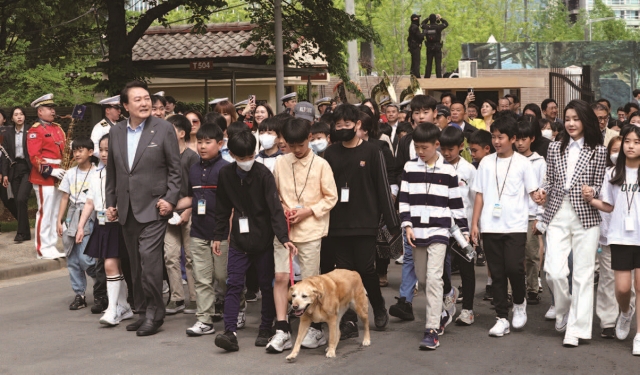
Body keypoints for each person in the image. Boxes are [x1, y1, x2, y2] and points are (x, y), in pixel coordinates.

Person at [105, 81, 182, 337]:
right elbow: (113, 173)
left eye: (147, 98)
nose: (145, 103)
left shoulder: (163, 129)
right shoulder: (115, 132)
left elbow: (175, 169)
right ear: (125, 106)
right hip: (126, 208)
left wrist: (170, 199)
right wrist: (111, 203)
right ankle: (141, 311)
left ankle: (154, 314)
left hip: (154, 207)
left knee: (150, 262)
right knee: (135, 265)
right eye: (137, 99)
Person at [212, 130, 297, 352]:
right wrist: (218, 235)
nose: (247, 162)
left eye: (250, 157)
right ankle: (229, 331)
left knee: (266, 285)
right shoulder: (225, 175)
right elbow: (221, 208)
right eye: (241, 159)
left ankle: (265, 328)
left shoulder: (263, 175)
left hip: (263, 239)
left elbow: (275, 210)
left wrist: (283, 238)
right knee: (234, 283)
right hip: (239, 241)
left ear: (255, 153)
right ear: (231, 155)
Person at [324, 104, 400, 337]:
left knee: (367, 270)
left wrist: (391, 221)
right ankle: (348, 319)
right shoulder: (329, 154)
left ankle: (377, 305)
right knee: (344, 272)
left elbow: (382, 188)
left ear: (358, 125)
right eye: (339, 125)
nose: (343, 128)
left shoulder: (372, 151)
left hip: (365, 220)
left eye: (348, 124)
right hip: (338, 223)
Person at [537, 99, 607, 347]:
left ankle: (575, 330)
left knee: (583, 275)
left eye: (576, 119)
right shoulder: (555, 148)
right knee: (554, 271)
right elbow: (550, 180)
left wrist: (593, 191)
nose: (571, 123)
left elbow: (600, 183)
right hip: (557, 213)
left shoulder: (598, 151)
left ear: (585, 121)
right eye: (567, 119)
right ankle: (563, 308)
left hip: (586, 216)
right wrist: (542, 192)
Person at [267, 117, 338, 353]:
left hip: (310, 229)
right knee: (280, 277)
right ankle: (282, 328)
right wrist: (283, 209)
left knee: (309, 281)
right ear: (284, 142)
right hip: (284, 229)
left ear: (309, 138)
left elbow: (331, 197)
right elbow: (274, 195)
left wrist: (307, 211)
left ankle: (315, 328)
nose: (297, 150)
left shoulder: (321, 165)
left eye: (301, 145)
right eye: (292, 145)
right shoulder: (280, 163)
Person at [399, 122, 468, 349]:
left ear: (436, 145)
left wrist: (464, 232)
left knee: (434, 278)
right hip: (416, 231)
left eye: (424, 147)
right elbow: (404, 199)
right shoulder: (410, 168)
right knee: (423, 278)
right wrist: (407, 225)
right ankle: (447, 298)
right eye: (417, 147)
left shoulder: (449, 170)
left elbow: (456, 204)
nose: (420, 151)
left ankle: (431, 329)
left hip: (440, 229)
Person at [470, 115, 540, 337]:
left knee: (514, 268)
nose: (497, 141)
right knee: (497, 273)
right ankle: (501, 317)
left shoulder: (523, 163)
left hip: (515, 225)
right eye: (494, 137)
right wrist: (475, 223)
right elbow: (479, 194)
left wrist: (540, 203)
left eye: (501, 137)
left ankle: (519, 302)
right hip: (490, 226)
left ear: (512, 138)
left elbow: (532, 193)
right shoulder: (486, 162)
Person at [583, 124, 640, 355]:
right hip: (620, 237)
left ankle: (639, 335)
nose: (631, 146)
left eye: (637, 142)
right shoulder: (613, 173)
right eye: (628, 141)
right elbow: (609, 206)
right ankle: (625, 312)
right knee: (623, 288)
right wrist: (590, 199)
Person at [172, 123, 230, 336]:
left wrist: (227, 233)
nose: (202, 146)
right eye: (200, 142)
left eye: (208, 142)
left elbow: (232, 204)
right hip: (198, 231)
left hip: (221, 233)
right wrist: (170, 205)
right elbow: (190, 197)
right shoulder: (194, 168)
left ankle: (238, 306)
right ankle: (204, 319)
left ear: (220, 144)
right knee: (201, 278)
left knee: (223, 277)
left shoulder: (225, 169)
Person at [76, 133, 134, 326]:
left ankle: (113, 309)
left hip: (119, 224)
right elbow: (90, 202)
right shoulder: (95, 174)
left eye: (108, 150)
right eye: (101, 150)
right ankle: (122, 306)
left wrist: (118, 210)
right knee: (111, 266)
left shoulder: (125, 173)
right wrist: (81, 226)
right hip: (102, 224)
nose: (103, 154)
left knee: (112, 266)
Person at [389, 95, 437, 322]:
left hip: (438, 211)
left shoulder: (442, 138)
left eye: (425, 112)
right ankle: (405, 300)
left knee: (439, 261)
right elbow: (397, 170)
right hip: (413, 208)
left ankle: (443, 299)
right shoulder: (405, 140)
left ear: (435, 114)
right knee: (409, 254)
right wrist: (398, 198)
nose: (420, 116)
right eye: (416, 112)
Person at [439, 126, 477, 326]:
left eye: (450, 149)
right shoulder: (437, 166)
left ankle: (468, 309)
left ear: (460, 147)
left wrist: (473, 227)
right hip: (441, 226)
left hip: (464, 228)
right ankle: (447, 294)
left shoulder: (469, 170)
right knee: (439, 266)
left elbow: (474, 199)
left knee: (466, 268)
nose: (446, 153)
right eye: (443, 149)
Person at [163, 115, 199, 315]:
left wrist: (187, 211)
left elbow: (197, 190)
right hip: (168, 213)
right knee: (170, 255)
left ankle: (194, 297)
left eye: (170, 130)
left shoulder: (192, 157)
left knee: (191, 257)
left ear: (182, 133)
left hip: (189, 212)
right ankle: (176, 298)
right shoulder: (163, 157)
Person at [356, 109, 398, 286]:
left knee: (381, 237)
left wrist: (392, 194)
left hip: (379, 198)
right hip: (358, 199)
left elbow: (391, 174)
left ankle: (381, 271)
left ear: (364, 129)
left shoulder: (380, 147)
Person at [56, 137, 97, 310]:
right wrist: (59, 220)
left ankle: (103, 282)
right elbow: (65, 197)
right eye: (75, 150)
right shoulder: (70, 173)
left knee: (85, 258)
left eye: (81, 150)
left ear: (90, 152)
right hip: (72, 215)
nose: (77, 153)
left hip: (89, 214)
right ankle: (79, 294)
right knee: (72, 258)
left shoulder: (97, 172)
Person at [27, 94, 67, 259]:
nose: (53, 111)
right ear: (40, 111)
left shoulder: (57, 127)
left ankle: (51, 245)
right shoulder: (35, 130)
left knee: (55, 212)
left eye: (53, 108)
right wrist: (50, 170)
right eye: (49, 108)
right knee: (45, 212)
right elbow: (34, 156)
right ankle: (42, 248)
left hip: (59, 173)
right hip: (44, 176)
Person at [592, 135, 623, 339]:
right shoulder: (604, 174)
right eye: (615, 149)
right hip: (608, 234)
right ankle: (608, 321)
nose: (618, 153)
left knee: (627, 283)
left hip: (632, 237)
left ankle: (626, 314)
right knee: (607, 280)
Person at [514, 119, 546, 305]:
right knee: (513, 255)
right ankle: (513, 290)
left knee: (532, 254)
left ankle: (533, 288)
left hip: (531, 215)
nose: (519, 143)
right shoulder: (511, 160)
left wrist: (540, 216)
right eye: (517, 139)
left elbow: (542, 190)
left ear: (532, 139)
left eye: (523, 139)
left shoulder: (539, 162)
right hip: (512, 215)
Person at [2, 107, 32, 243]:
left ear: (24, 116)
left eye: (21, 114)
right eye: (16, 114)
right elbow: (4, 155)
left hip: (27, 168)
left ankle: (21, 233)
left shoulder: (31, 130)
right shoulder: (8, 133)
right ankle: (26, 232)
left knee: (21, 198)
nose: (19, 116)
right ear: (12, 118)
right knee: (18, 201)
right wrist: (5, 174)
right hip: (14, 168)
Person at [90, 96, 121, 163]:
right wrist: (108, 157)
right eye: (117, 109)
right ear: (107, 110)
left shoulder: (120, 125)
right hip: (106, 164)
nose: (119, 111)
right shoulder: (99, 127)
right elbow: (93, 147)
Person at [422, 13, 448, 78]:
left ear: (430, 20)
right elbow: (446, 23)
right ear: (435, 20)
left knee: (428, 64)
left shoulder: (427, 27)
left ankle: (427, 77)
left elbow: (421, 24)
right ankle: (439, 77)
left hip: (429, 47)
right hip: (437, 47)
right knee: (438, 64)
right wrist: (440, 18)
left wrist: (427, 18)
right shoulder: (438, 27)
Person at [407, 13, 423, 78]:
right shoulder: (415, 27)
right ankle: (416, 75)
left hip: (412, 46)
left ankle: (413, 74)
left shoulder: (411, 26)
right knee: (416, 61)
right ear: (415, 19)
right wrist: (423, 34)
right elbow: (419, 37)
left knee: (414, 61)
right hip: (415, 46)